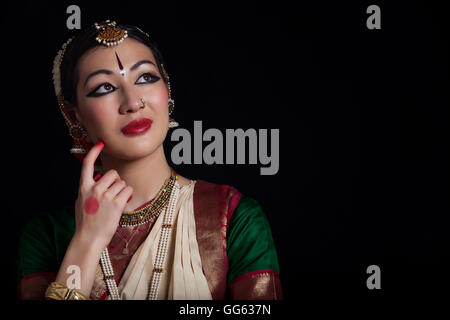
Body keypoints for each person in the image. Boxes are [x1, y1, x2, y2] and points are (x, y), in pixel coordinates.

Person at [16, 20, 282, 300]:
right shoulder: (48, 236)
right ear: (74, 116)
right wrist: (87, 242)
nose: (133, 101)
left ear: (167, 91)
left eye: (145, 78)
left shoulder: (230, 217)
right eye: (104, 87)